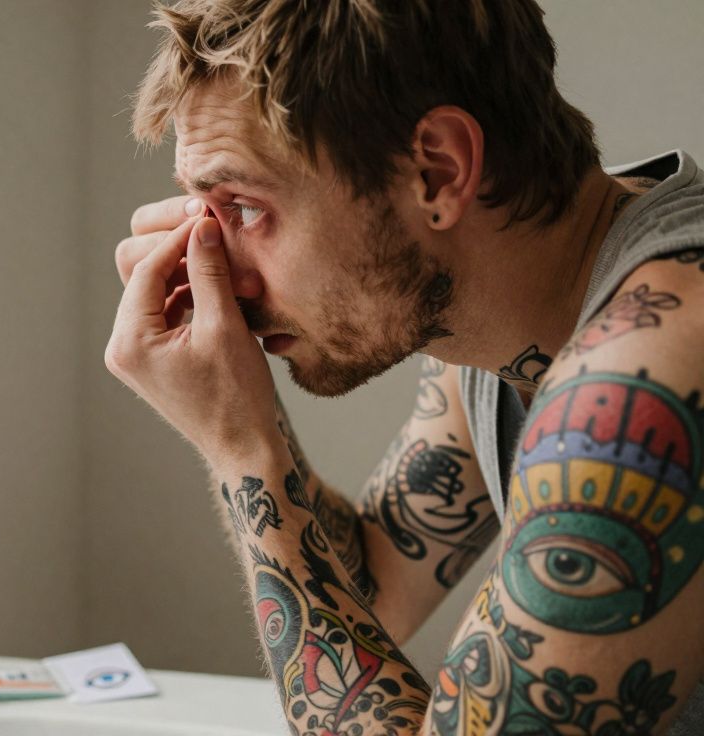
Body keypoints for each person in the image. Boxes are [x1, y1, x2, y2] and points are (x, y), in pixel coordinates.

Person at [105, 1, 704, 734]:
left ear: (437, 171)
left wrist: (243, 451)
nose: (222, 268)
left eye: (244, 206)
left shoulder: (653, 365)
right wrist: (234, 413)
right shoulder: (514, 304)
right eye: (201, 207)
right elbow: (372, 579)